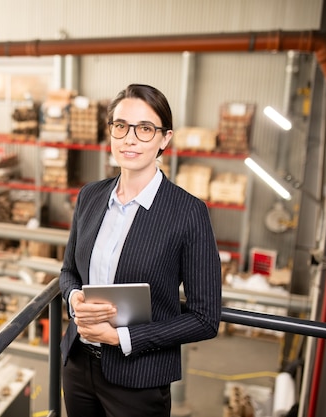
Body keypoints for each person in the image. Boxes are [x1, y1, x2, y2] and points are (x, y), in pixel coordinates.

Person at [59, 83, 222, 417]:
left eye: (145, 129)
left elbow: (206, 319)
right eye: (121, 126)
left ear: (164, 139)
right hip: (78, 365)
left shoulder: (188, 212)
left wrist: (123, 338)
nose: (129, 138)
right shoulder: (90, 196)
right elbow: (68, 274)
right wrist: (74, 299)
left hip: (138, 380)